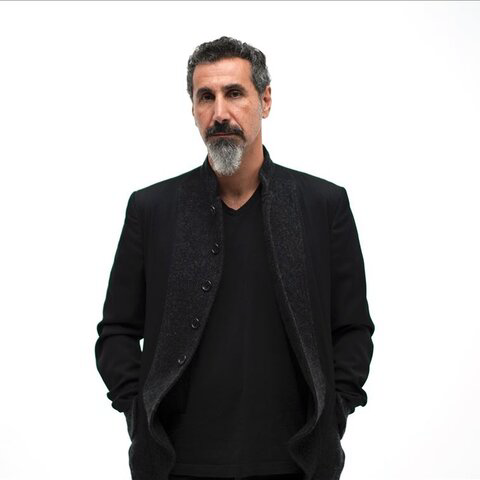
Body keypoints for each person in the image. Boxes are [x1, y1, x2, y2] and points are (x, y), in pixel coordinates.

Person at [94, 36, 375, 480]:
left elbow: (353, 329)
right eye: (205, 97)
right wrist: (139, 413)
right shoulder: (151, 209)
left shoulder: (323, 205)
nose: (220, 113)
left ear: (265, 100)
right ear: (193, 109)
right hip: (176, 465)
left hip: (296, 464)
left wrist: (333, 412)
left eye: (234, 93)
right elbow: (116, 331)